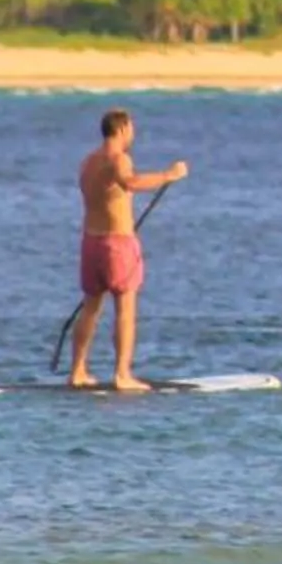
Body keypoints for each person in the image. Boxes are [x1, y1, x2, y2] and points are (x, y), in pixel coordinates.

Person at [71, 108, 189, 391]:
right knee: (125, 309)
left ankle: (77, 371)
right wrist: (168, 175)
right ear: (122, 129)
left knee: (90, 308)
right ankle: (123, 374)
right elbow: (130, 182)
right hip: (117, 243)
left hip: (91, 243)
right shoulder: (119, 158)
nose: (133, 135)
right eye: (132, 129)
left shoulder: (88, 162)